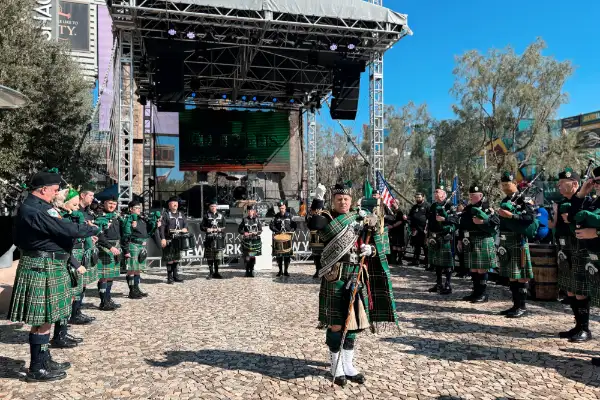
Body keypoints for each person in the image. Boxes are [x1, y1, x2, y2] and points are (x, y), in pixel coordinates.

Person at [8, 171, 98, 382]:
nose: (57, 194)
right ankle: (36, 368)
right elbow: (62, 228)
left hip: (50, 264)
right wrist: (86, 228)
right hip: (42, 265)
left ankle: (44, 359)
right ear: (43, 189)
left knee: (46, 318)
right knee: (43, 318)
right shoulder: (31, 209)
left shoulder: (42, 207)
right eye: (55, 190)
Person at [307, 182, 397, 387]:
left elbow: (381, 241)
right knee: (337, 322)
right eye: (339, 199)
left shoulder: (361, 216)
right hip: (335, 274)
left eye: (346, 199)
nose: (343, 202)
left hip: (357, 272)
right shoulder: (327, 217)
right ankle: (335, 366)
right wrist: (318, 199)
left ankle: (348, 365)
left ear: (351, 200)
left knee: (353, 323)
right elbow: (314, 224)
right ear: (333, 201)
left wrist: (371, 250)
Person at [551, 168, 592, 342]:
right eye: (558, 184)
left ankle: (585, 329)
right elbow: (555, 226)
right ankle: (577, 326)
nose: (559, 187)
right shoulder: (561, 203)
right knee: (570, 289)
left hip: (580, 248)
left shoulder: (587, 202)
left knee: (580, 289)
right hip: (564, 248)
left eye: (562, 184)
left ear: (575, 184)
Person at [50, 187, 88, 350]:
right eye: (73, 205)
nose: (77, 208)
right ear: (64, 203)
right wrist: (76, 263)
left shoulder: (70, 216)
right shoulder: (58, 218)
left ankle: (62, 333)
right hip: (63, 260)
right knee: (65, 299)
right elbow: (62, 246)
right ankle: (59, 336)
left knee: (70, 297)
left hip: (69, 258)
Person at [497, 171, 536, 318]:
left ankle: (523, 307)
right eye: (503, 185)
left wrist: (512, 215)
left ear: (515, 184)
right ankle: (515, 305)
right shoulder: (505, 199)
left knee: (521, 275)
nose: (505, 187)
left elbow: (530, 217)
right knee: (512, 275)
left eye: (508, 184)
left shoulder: (524, 199)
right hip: (507, 240)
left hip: (518, 240)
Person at [571, 168, 600, 364]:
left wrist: (597, 233)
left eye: (599, 181)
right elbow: (573, 214)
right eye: (595, 180)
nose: (596, 183)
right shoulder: (594, 201)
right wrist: (582, 193)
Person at [457, 184, 499, 303]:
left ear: (480, 196)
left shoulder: (487, 208)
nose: (471, 197)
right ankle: (475, 292)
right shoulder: (468, 209)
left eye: (474, 195)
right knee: (474, 268)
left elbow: (496, 222)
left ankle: (482, 294)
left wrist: (483, 221)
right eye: (470, 195)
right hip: (470, 240)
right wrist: (460, 239)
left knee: (482, 269)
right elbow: (462, 226)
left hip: (483, 239)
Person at [121, 200, 160, 298]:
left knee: (138, 269)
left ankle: (137, 288)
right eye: (136, 208)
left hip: (141, 246)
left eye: (139, 208)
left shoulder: (142, 219)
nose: (139, 210)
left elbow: (149, 231)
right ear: (131, 209)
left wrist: (155, 224)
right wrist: (126, 250)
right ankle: (132, 291)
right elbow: (125, 235)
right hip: (133, 245)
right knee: (132, 269)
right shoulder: (129, 219)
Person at [426, 183, 456, 295]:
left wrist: (445, 218)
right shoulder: (433, 206)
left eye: (437, 191)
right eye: (435, 192)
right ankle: (438, 284)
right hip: (434, 236)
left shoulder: (449, 205)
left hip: (444, 236)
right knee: (436, 262)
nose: (435, 193)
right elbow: (429, 222)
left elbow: (455, 220)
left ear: (444, 194)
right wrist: (428, 235)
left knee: (446, 262)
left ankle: (448, 284)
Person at [95, 195, 123, 311]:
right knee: (104, 277)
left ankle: (108, 298)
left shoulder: (116, 217)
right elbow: (99, 235)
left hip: (116, 246)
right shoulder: (99, 216)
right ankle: (103, 302)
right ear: (104, 203)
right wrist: (110, 247)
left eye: (114, 204)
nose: (112, 206)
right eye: (110, 203)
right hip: (105, 247)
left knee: (110, 276)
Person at [77, 189, 99, 317]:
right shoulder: (76, 211)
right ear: (82, 195)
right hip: (76, 249)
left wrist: (91, 236)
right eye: (90, 195)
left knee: (83, 283)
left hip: (86, 250)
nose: (92, 198)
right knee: (77, 284)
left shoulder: (89, 213)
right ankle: (73, 313)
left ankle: (78, 310)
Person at [159, 197, 188, 284]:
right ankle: (169, 277)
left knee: (176, 259)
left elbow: (186, 225)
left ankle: (175, 275)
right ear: (169, 205)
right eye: (173, 203)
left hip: (178, 240)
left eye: (176, 203)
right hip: (169, 239)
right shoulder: (165, 215)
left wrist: (185, 229)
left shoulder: (181, 214)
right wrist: (163, 238)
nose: (175, 204)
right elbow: (162, 228)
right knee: (169, 259)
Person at [270, 200, 297, 277]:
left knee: (287, 255)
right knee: (279, 256)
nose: (281, 209)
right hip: (278, 238)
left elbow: (294, 225)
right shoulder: (276, 216)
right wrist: (277, 231)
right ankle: (280, 271)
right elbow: (271, 225)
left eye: (282, 208)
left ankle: (286, 271)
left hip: (287, 238)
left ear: (285, 207)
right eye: (280, 208)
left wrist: (291, 232)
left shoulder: (290, 216)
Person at [200, 199, 226, 279]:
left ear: (217, 207)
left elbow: (224, 227)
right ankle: (211, 272)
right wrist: (207, 229)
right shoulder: (206, 216)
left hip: (218, 238)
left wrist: (220, 229)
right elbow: (201, 227)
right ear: (209, 207)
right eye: (212, 206)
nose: (213, 207)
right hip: (209, 239)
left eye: (215, 206)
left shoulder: (221, 216)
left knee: (217, 257)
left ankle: (217, 272)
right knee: (210, 256)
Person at [238, 204, 263, 277]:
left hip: (254, 241)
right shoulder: (245, 219)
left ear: (253, 211)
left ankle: (251, 271)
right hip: (247, 241)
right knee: (247, 256)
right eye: (249, 211)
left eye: (251, 210)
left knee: (252, 256)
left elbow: (261, 230)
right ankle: (247, 271)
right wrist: (244, 233)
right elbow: (239, 229)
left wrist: (256, 233)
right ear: (247, 212)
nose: (250, 212)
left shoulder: (257, 220)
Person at [408, 193, 429, 267]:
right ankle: (415, 261)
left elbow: (429, 217)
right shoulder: (414, 207)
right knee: (416, 246)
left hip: (424, 230)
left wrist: (427, 228)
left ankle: (427, 262)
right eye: (416, 197)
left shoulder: (427, 206)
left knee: (425, 246)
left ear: (423, 197)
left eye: (419, 197)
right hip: (415, 230)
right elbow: (410, 216)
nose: (418, 199)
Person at [385, 199, 407, 266]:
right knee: (394, 245)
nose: (392, 204)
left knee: (399, 246)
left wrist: (392, 226)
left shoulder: (401, 211)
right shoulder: (392, 211)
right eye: (391, 203)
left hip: (399, 230)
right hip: (393, 231)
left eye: (393, 203)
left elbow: (400, 221)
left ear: (397, 203)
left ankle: (399, 260)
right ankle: (393, 260)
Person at [307, 197, 325, 279]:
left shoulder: (325, 215)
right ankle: (317, 270)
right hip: (314, 239)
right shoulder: (310, 217)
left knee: (323, 255)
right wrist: (314, 216)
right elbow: (310, 225)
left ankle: (323, 271)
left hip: (323, 239)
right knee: (316, 256)